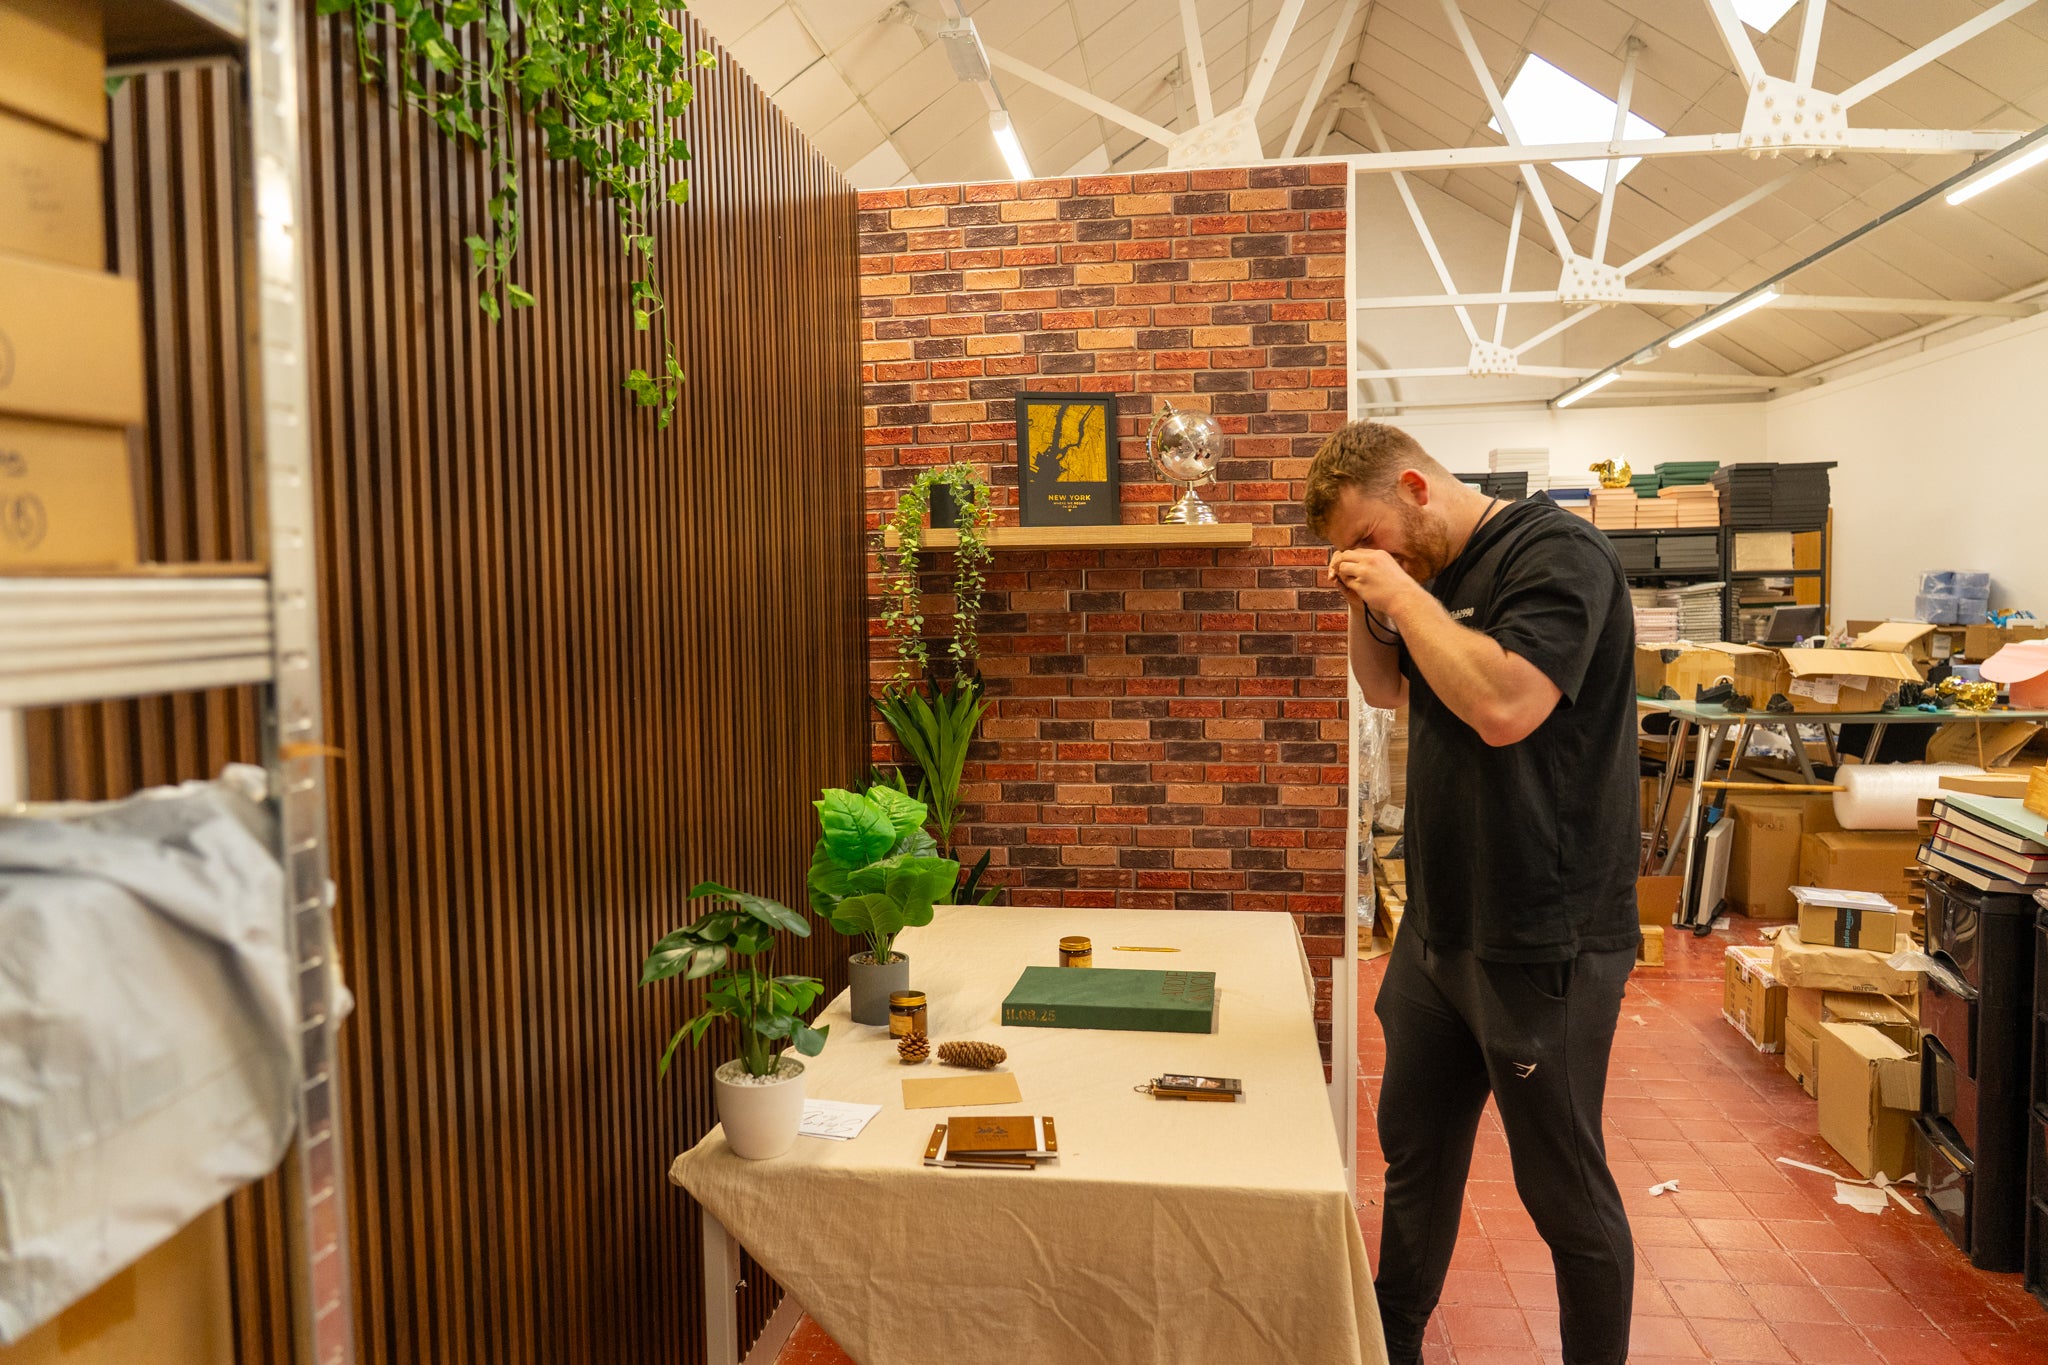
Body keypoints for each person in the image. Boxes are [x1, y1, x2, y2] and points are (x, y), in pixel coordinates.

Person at [1304, 421, 1640, 1365]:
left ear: (1415, 485)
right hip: (1442, 923)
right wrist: (1365, 598)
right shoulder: (1426, 576)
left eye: (1371, 536)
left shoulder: (1558, 553)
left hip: (1544, 929)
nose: (1375, 558)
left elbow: (1503, 708)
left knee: (1563, 1191)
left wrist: (1402, 591)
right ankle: (1394, 1342)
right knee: (1414, 1151)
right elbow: (1385, 692)